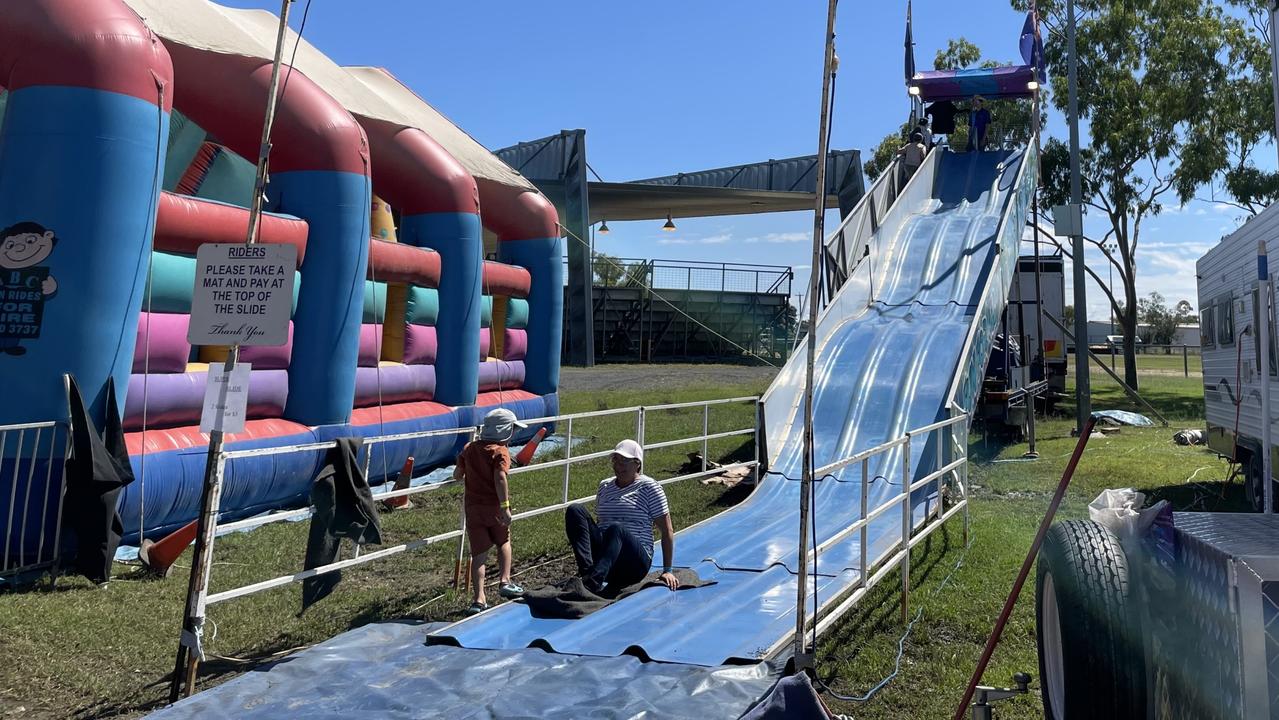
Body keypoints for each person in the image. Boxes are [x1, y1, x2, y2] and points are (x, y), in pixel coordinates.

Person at [564, 439, 679, 594]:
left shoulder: (649, 487)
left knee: (616, 528)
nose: (619, 466)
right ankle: (587, 573)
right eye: (616, 460)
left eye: (624, 461)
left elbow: (667, 530)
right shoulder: (605, 486)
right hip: (608, 557)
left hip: (634, 563)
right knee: (575, 510)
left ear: (637, 463)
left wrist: (668, 570)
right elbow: (600, 522)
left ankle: (593, 582)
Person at [455, 408, 527, 615]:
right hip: (495, 507)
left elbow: (458, 474)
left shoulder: (469, 448)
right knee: (503, 541)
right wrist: (505, 506)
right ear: (505, 430)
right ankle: (505, 581)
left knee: (478, 554)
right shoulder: (500, 451)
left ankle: (479, 599)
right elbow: (500, 477)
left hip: (473, 510)